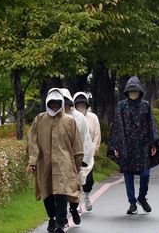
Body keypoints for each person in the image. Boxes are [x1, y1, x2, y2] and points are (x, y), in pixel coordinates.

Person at [28, 88, 84, 233]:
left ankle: (60, 223)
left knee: (61, 193)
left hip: (64, 164)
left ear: (61, 103)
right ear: (47, 102)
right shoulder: (39, 119)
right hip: (44, 163)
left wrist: (77, 164)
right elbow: (32, 141)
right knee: (47, 194)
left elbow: (77, 145)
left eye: (56, 103)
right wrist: (33, 161)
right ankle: (52, 218)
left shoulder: (69, 121)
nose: (54, 106)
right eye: (51, 103)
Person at [107, 76, 159, 214]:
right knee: (128, 176)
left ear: (139, 92)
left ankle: (142, 197)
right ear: (127, 92)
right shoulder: (121, 105)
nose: (133, 94)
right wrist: (116, 147)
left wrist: (153, 144)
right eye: (131, 91)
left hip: (143, 146)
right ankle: (132, 203)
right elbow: (117, 127)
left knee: (145, 174)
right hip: (126, 146)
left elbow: (151, 125)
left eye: (135, 91)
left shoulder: (145, 105)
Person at [60, 88, 93, 224]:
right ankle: (61, 218)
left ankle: (73, 208)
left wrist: (84, 161)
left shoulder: (79, 118)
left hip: (75, 160)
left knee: (73, 188)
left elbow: (86, 139)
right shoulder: (51, 118)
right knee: (59, 190)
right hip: (58, 160)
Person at [73, 91, 101, 212]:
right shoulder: (70, 117)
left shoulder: (93, 117)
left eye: (83, 105)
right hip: (74, 154)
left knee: (88, 180)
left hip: (88, 154)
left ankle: (86, 196)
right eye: (78, 105)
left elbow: (97, 135)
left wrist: (93, 151)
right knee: (76, 180)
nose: (81, 107)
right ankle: (77, 202)